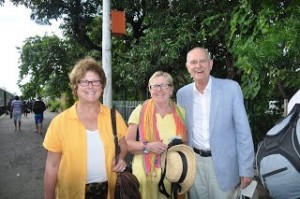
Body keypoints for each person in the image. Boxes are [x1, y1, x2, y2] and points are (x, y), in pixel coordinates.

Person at [43, 57, 128, 199]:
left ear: (102, 86)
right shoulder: (59, 123)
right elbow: (51, 167)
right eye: (84, 81)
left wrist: (121, 158)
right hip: (71, 193)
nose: (90, 86)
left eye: (95, 81)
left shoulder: (114, 116)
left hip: (108, 191)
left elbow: (123, 145)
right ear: (75, 87)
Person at [176, 47, 255, 199]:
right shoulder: (182, 94)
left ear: (210, 64)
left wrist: (246, 169)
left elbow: (243, 131)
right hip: (195, 165)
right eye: (193, 62)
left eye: (202, 61)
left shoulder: (231, 88)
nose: (198, 66)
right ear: (188, 67)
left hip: (224, 165)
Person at [126, 71, 187, 199]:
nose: (160, 90)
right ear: (150, 89)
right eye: (155, 86)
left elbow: (185, 144)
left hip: (173, 176)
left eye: (165, 85)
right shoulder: (140, 111)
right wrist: (148, 146)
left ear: (171, 89)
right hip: (146, 178)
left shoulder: (181, 113)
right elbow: (128, 144)